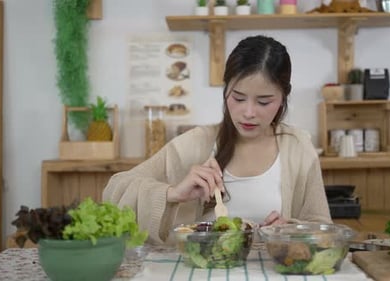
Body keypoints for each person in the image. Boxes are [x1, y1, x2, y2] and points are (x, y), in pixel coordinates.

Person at [103, 35, 331, 244]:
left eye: (263, 102)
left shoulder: (298, 147)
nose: (249, 112)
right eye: (238, 98)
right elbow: (114, 191)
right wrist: (173, 193)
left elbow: (323, 230)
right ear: (225, 91)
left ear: (283, 98)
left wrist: (290, 231)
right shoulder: (194, 144)